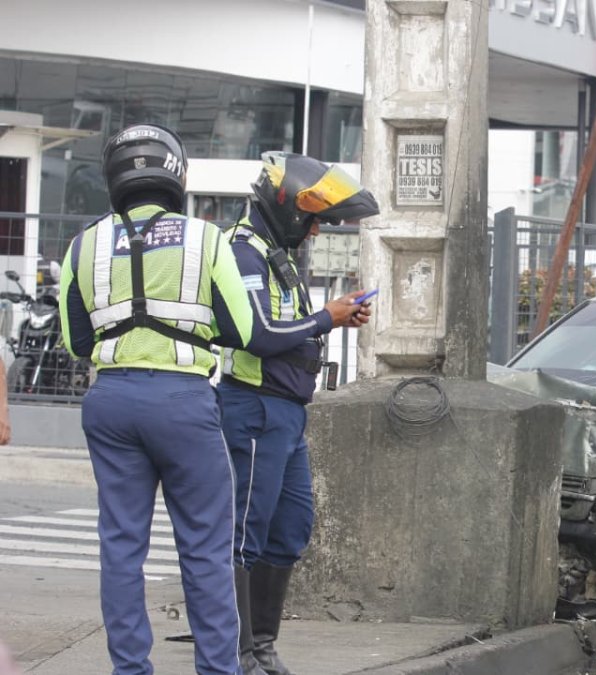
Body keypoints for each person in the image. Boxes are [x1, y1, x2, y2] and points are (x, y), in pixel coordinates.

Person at [58, 124, 258, 674]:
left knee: (121, 545)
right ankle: (217, 669)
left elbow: (76, 341)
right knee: (205, 547)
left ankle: (130, 668)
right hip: (183, 400)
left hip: (111, 401)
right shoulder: (206, 238)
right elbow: (242, 328)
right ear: (175, 174)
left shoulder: (84, 244)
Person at [219, 152, 378, 675]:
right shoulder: (244, 253)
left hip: (287, 413)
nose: (314, 232)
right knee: (245, 533)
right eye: (312, 221)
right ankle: (238, 653)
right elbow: (260, 334)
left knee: (290, 528)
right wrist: (325, 317)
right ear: (288, 209)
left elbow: (287, 327)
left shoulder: (275, 253)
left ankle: (262, 647)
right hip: (254, 408)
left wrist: (334, 318)